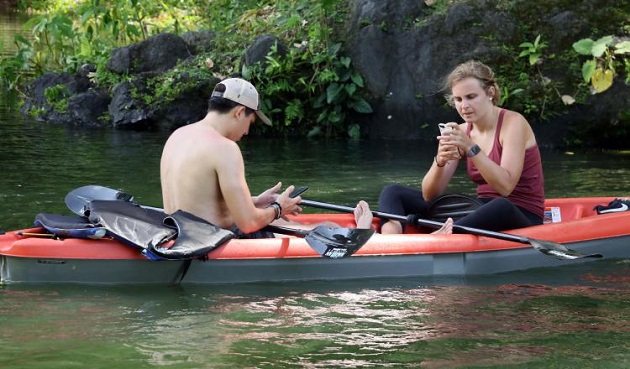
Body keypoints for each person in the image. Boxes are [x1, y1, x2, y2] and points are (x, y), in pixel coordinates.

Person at [160, 77, 372, 238]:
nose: (247, 133)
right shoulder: (224, 147)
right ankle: (363, 234)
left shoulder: (177, 137)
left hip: (180, 236)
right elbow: (248, 223)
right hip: (211, 244)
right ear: (239, 112)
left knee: (273, 217)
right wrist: (279, 208)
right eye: (250, 123)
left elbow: (197, 203)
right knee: (329, 228)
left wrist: (255, 201)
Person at [378, 60, 545, 234]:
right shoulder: (462, 131)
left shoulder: (513, 124)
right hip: (479, 209)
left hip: (521, 213)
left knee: (500, 205)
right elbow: (430, 196)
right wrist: (440, 161)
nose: (464, 106)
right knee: (393, 192)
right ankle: (391, 239)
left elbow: (505, 187)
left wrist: (471, 147)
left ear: (490, 93)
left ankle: (445, 234)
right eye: (458, 99)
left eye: (471, 97)